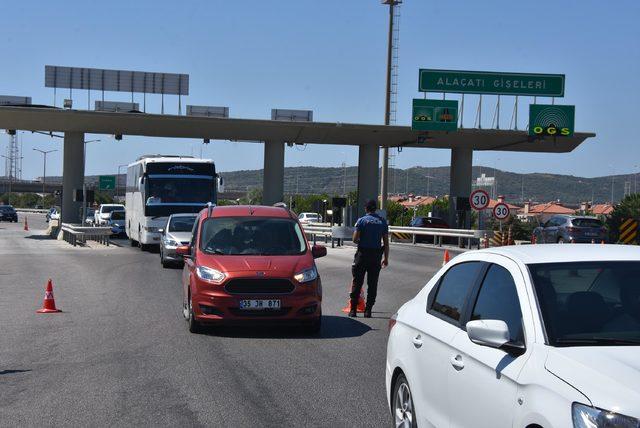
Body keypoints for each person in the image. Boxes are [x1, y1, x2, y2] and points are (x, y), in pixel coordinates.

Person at [349, 199, 389, 318]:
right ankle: (368, 310)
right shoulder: (382, 222)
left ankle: (353, 310)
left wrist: (363, 241)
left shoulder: (361, 221)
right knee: (372, 284)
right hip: (376, 256)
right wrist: (386, 258)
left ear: (366, 208)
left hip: (362, 255)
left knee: (357, 282)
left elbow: (354, 239)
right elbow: (386, 243)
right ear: (375, 209)